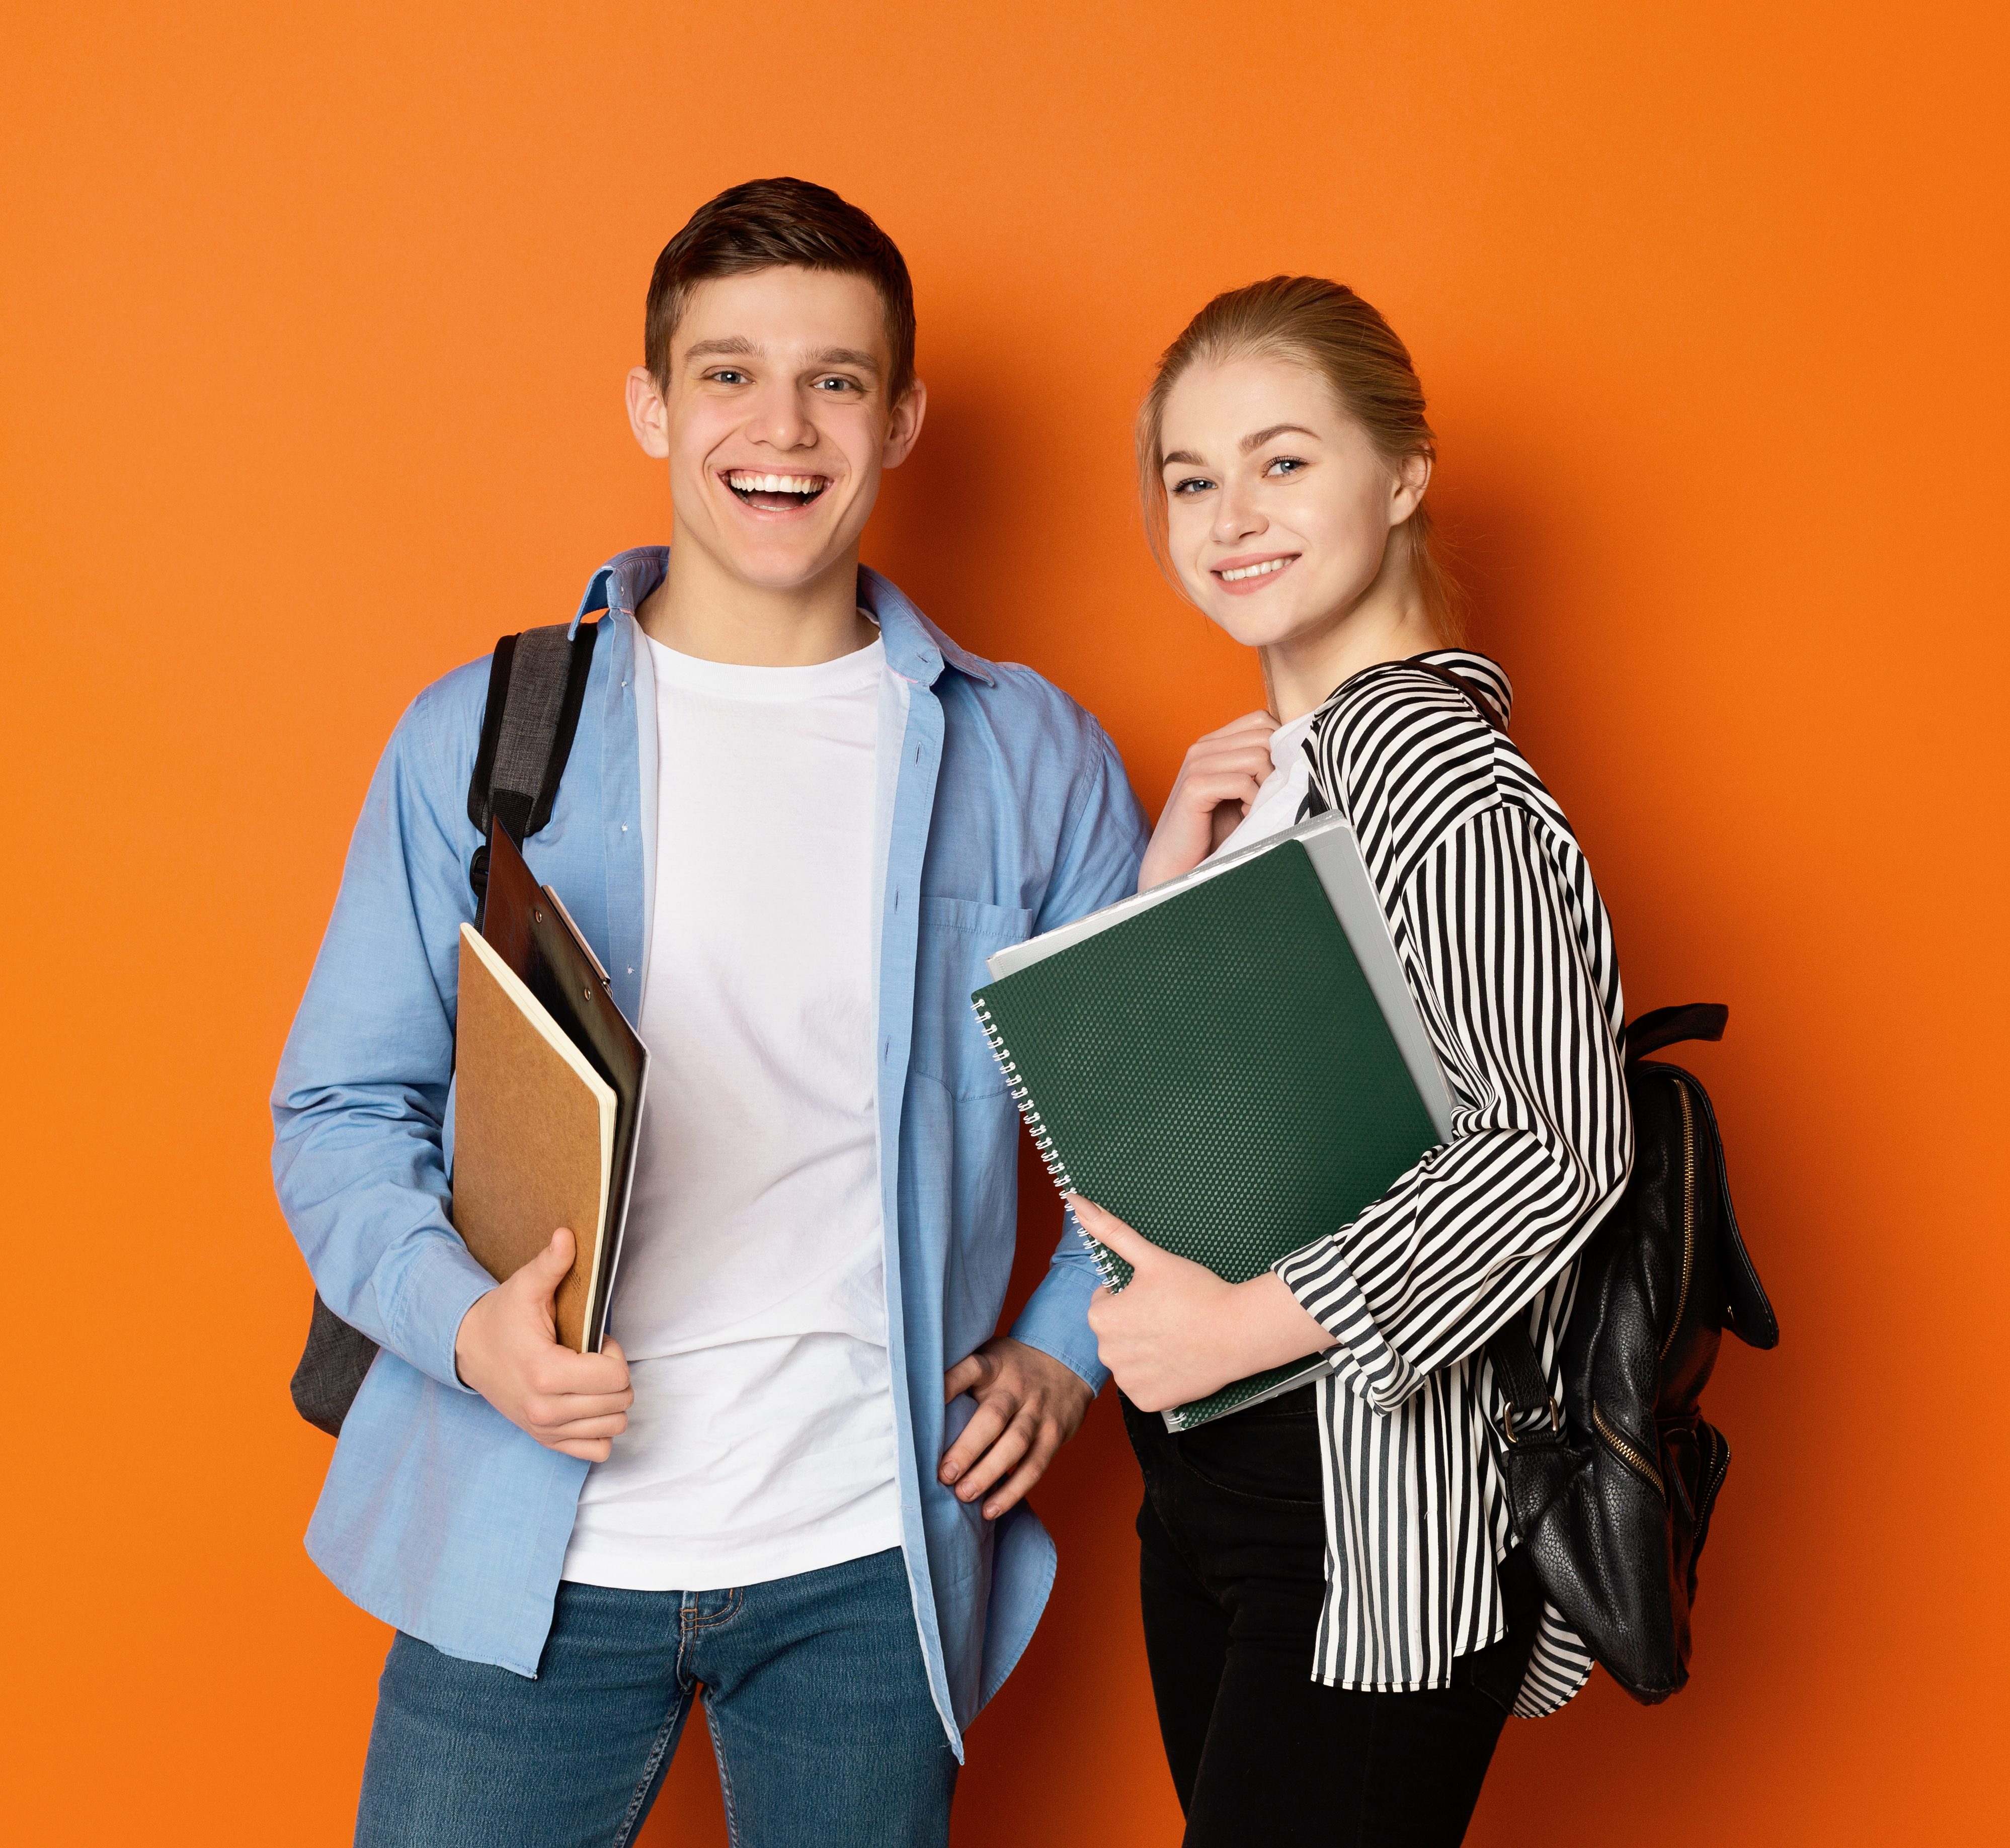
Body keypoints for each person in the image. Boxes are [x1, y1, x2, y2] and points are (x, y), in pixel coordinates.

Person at [271, 177, 1147, 1848]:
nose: (781, 425)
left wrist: (1059, 1347)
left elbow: (1150, 1118)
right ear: (652, 404)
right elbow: (337, 1109)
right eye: (729, 371)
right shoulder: (483, 732)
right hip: (524, 1526)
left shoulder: (1031, 756)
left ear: (899, 420)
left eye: (834, 379)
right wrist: (470, 1335)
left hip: (865, 1554)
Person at [1069, 276, 1633, 1846]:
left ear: (1403, 473)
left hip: (1366, 1512)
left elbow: (1558, 1142)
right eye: (1190, 479)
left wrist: (1239, 1325)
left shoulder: (1430, 776)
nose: (1229, 515)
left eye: (1282, 461)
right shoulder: (1282, 785)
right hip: (1225, 1491)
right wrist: (1155, 914)